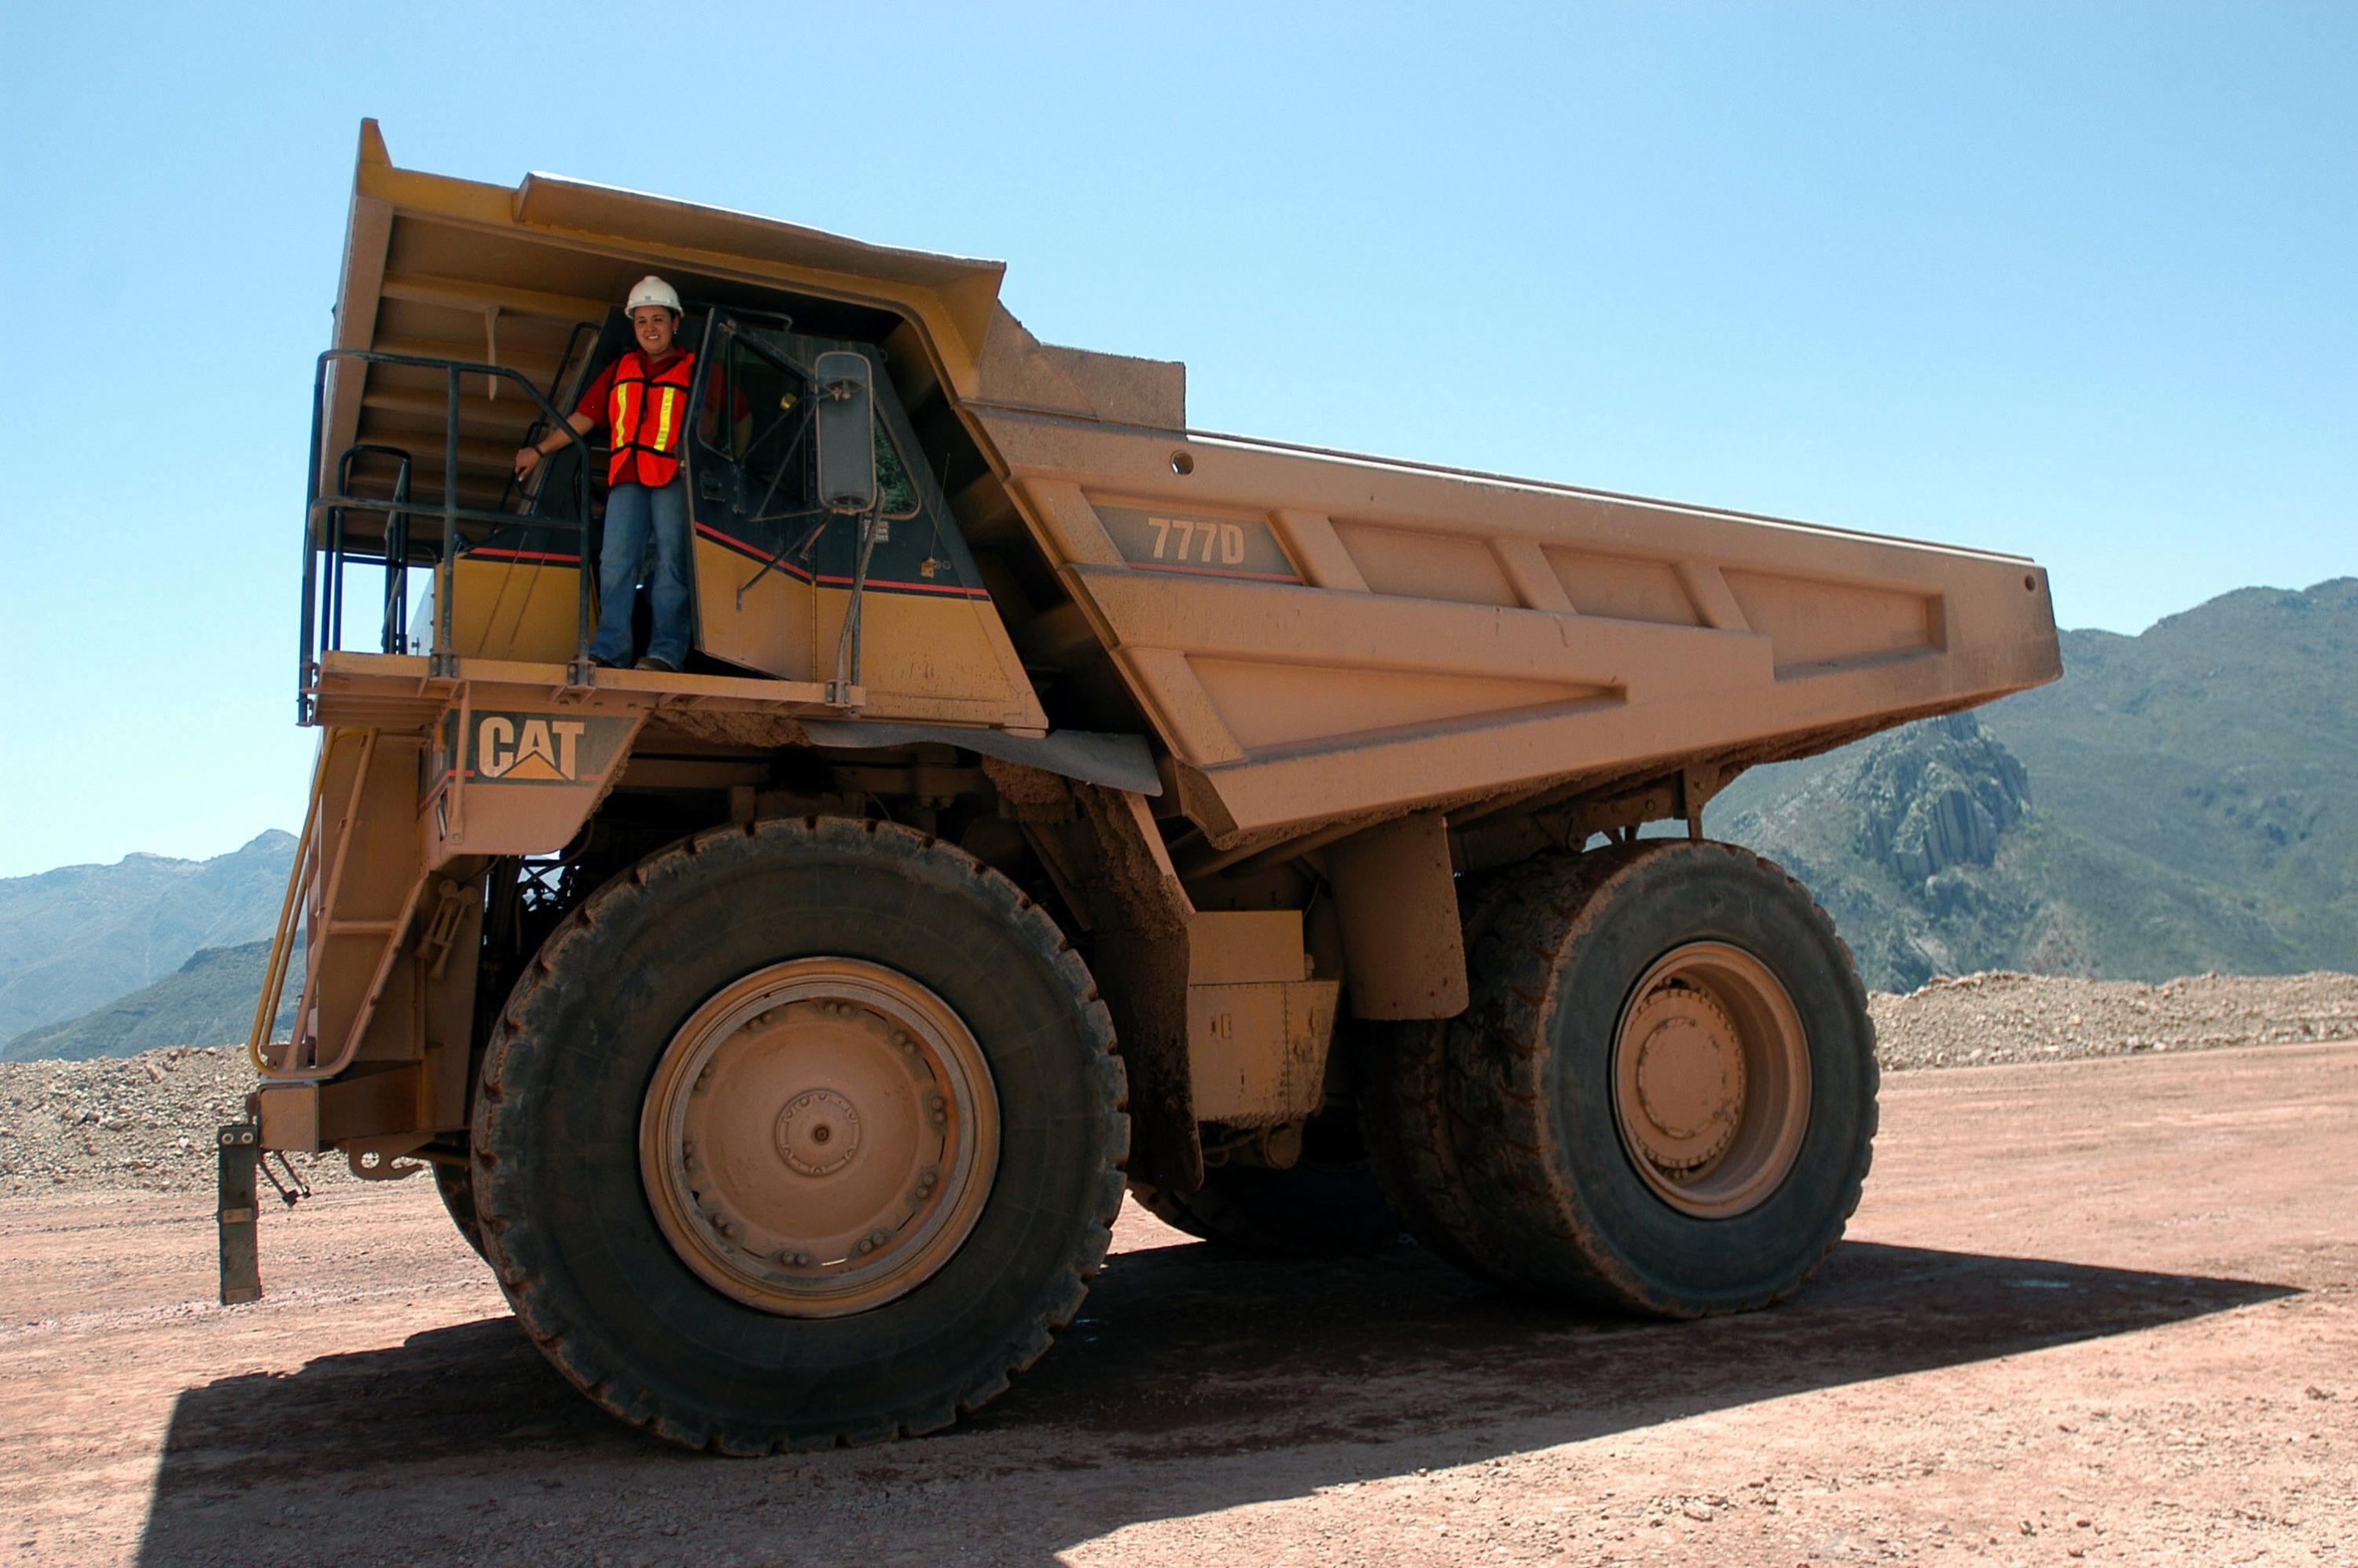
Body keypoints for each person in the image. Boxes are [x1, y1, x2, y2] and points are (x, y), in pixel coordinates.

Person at [514, 276, 697, 672]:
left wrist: (706, 462)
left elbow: (739, 418)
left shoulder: (696, 371)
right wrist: (540, 450)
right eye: (642, 320)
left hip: (673, 480)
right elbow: (585, 417)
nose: (650, 328)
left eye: (658, 319)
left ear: (675, 323)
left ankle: (665, 653)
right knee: (615, 561)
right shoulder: (620, 369)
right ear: (634, 326)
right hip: (628, 481)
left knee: (673, 563)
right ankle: (610, 651)